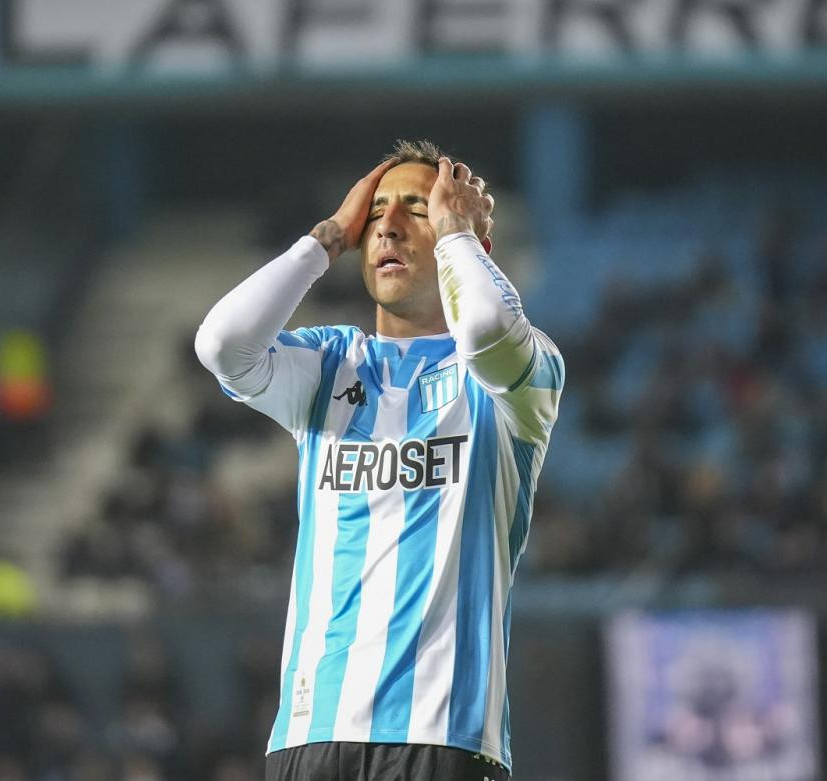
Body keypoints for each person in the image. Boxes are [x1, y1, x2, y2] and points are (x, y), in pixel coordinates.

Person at [195, 139, 564, 779]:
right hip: (313, 735)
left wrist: (458, 234)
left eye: (418, 210)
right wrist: (326, 239)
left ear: (462, 242)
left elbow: (482, 330)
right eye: (377, 214)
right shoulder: (330, 364)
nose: (388, 224)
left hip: (445, 733)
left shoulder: (516, 378)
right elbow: (223, 345)